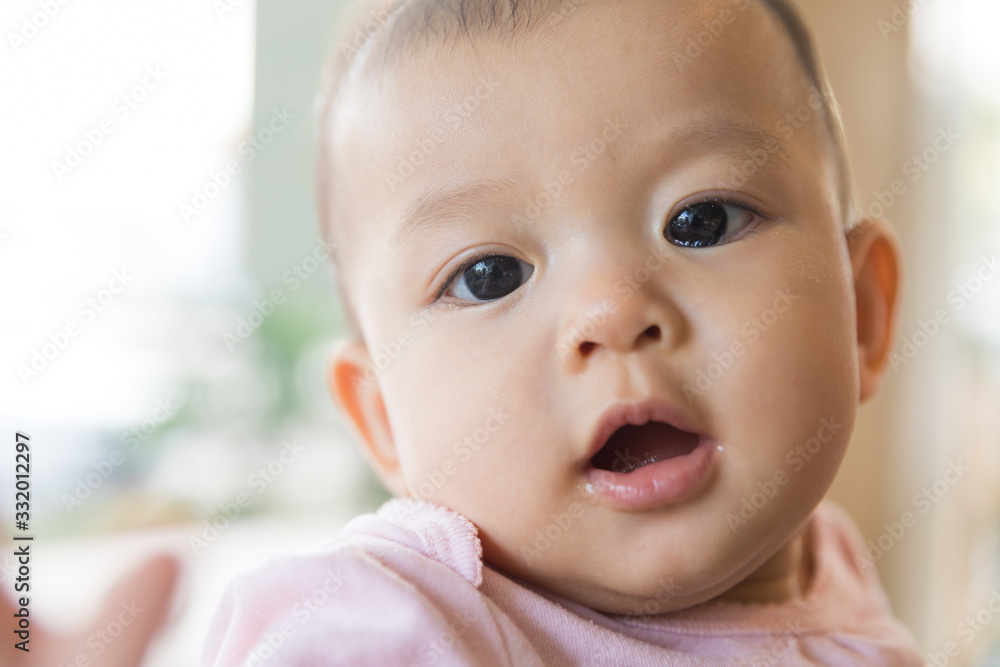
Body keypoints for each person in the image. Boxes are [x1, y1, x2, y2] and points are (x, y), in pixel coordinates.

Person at [206, 0, 925, 663]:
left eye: (700, 221)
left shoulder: (833, 567)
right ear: (383, 418)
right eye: (489, 274)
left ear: (862, 310)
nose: (610, 311)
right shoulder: (405, 622)